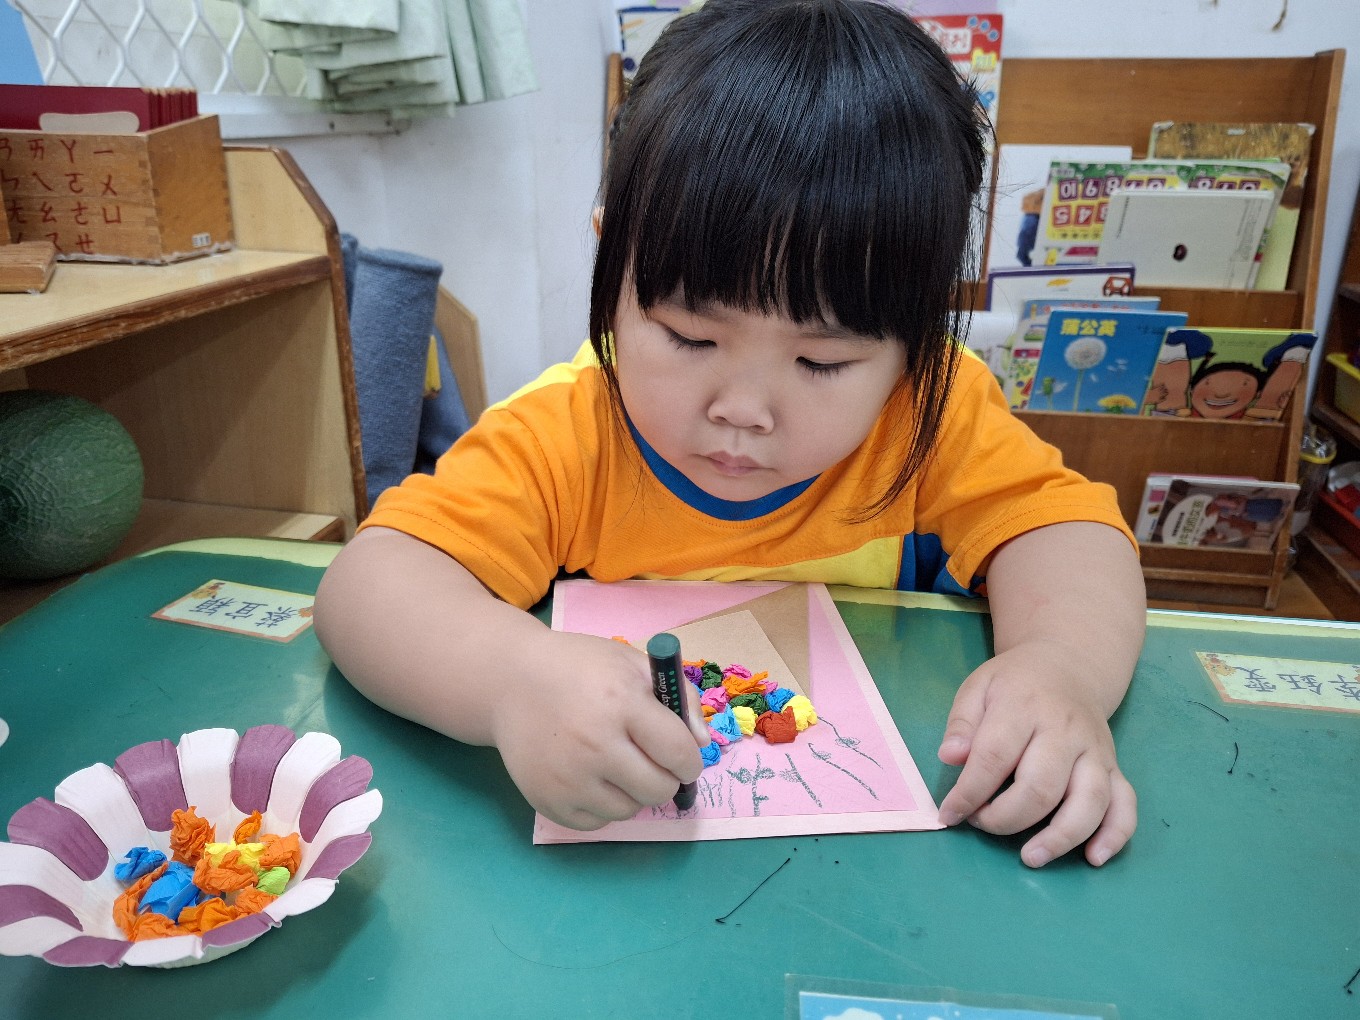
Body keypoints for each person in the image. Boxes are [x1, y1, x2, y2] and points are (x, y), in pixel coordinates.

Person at [314, 0, 1147, 869]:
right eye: (690, 338)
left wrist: (1063, 667)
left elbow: (1067, 532)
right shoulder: (567, 432)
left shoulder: (931, 413)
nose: (743, 409)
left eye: (822, 361)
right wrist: (506, 681)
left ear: (914, 332)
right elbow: (370, 586)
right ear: (611, 259)